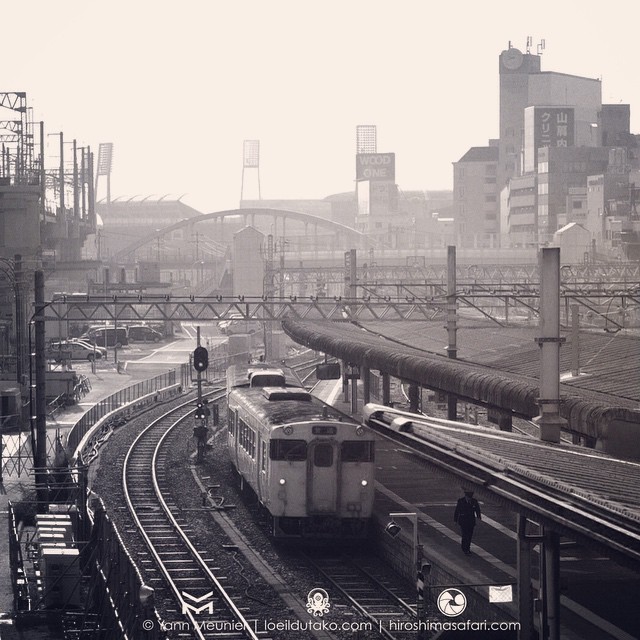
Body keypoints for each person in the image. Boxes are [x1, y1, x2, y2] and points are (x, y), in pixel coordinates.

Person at [454, 489, 482, 555]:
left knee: (469, 535)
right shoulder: (461, 501)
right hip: (463, 521)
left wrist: (478, 517)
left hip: (471, 521)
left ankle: (467, 548)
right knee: (465, 535)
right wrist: (455, 520)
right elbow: (457, 511)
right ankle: (465, 548)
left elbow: (477, 510)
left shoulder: (474, 501)